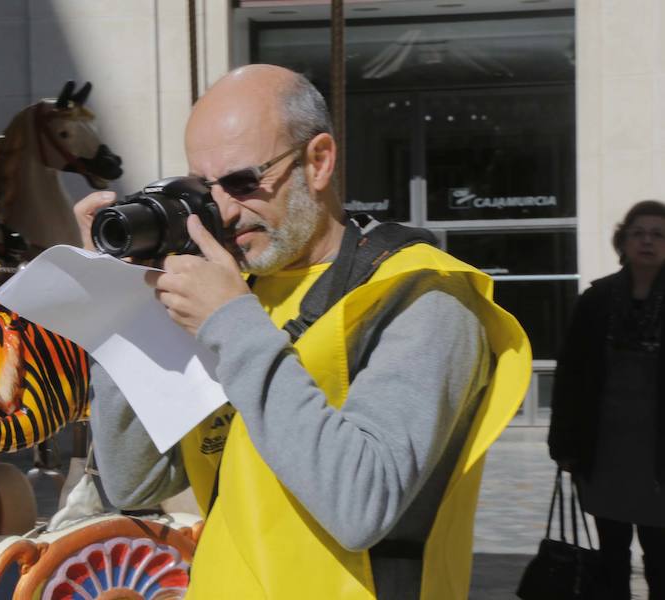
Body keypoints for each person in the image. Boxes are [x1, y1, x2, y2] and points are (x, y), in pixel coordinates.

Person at [74, 64, 531, 599]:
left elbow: (362, 505)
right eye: (206, 187)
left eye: (244, 182)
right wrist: (121, 311)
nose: (223, 209)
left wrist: (230, 323)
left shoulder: (423, 296)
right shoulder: (231, 292)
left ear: (318, 161)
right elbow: (137, 482)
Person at [549, 200, 665, 600]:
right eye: (639, 233)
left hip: (658, 458)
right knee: (611, 554)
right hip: (606, 453)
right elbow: (570, 377)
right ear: (624, 241)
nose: (647, 241)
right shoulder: (596, 300)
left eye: (658, 234)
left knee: (661, 557)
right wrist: (564, 446)